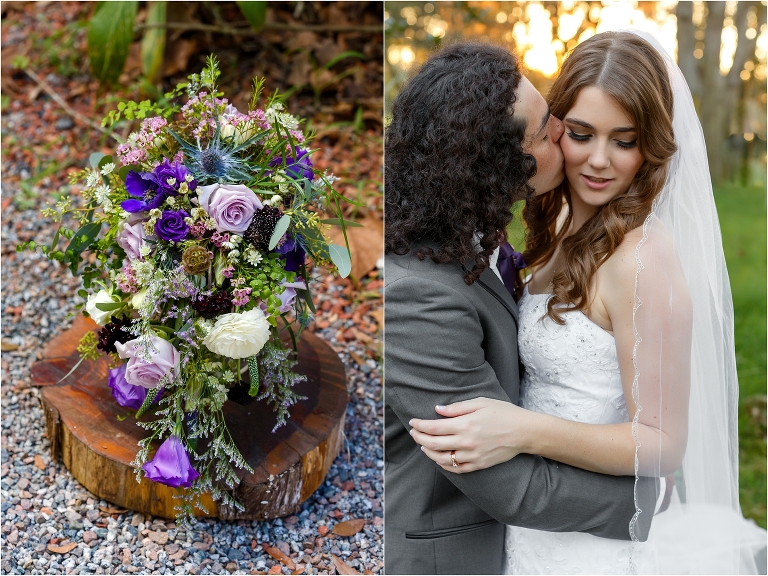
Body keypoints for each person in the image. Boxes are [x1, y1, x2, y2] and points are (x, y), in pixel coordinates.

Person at [409, 31, 767, 574]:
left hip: (593, 541)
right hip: (529, 525)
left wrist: (522, 429)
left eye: (623, 141)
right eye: (581, 134)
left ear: (651, 145)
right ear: (554, 130)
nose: (599, 161)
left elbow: (663, 443)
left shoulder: (643, 260)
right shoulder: (553, 223)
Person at [384, 41, 660, 576]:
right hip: (452, 553)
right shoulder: (417, 296)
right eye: (548, 130)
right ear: (496, 168)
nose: (562, 132)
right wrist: (651, 506)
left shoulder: (465, 233)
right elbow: (510, 488)